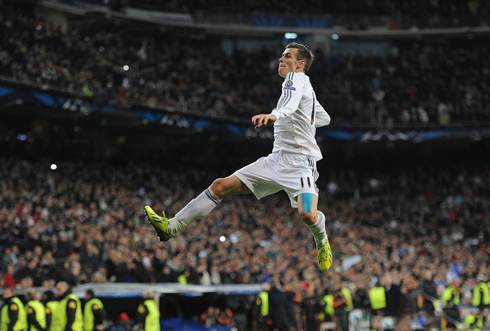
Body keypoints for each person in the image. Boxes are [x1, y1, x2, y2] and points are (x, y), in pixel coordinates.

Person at [145, 42, 333, 271]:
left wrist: (275, 115)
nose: (281, 60)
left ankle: (322, 239)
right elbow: (324, 119)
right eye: (282, 56)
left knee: (308, 216)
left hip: (300, 163)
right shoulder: (306, 87)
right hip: (275, 160)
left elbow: (290, 104)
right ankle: (171, 226)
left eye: (287, 56)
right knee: (220, 186)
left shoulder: (296, 79)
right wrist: (306, 119)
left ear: (300, 64)